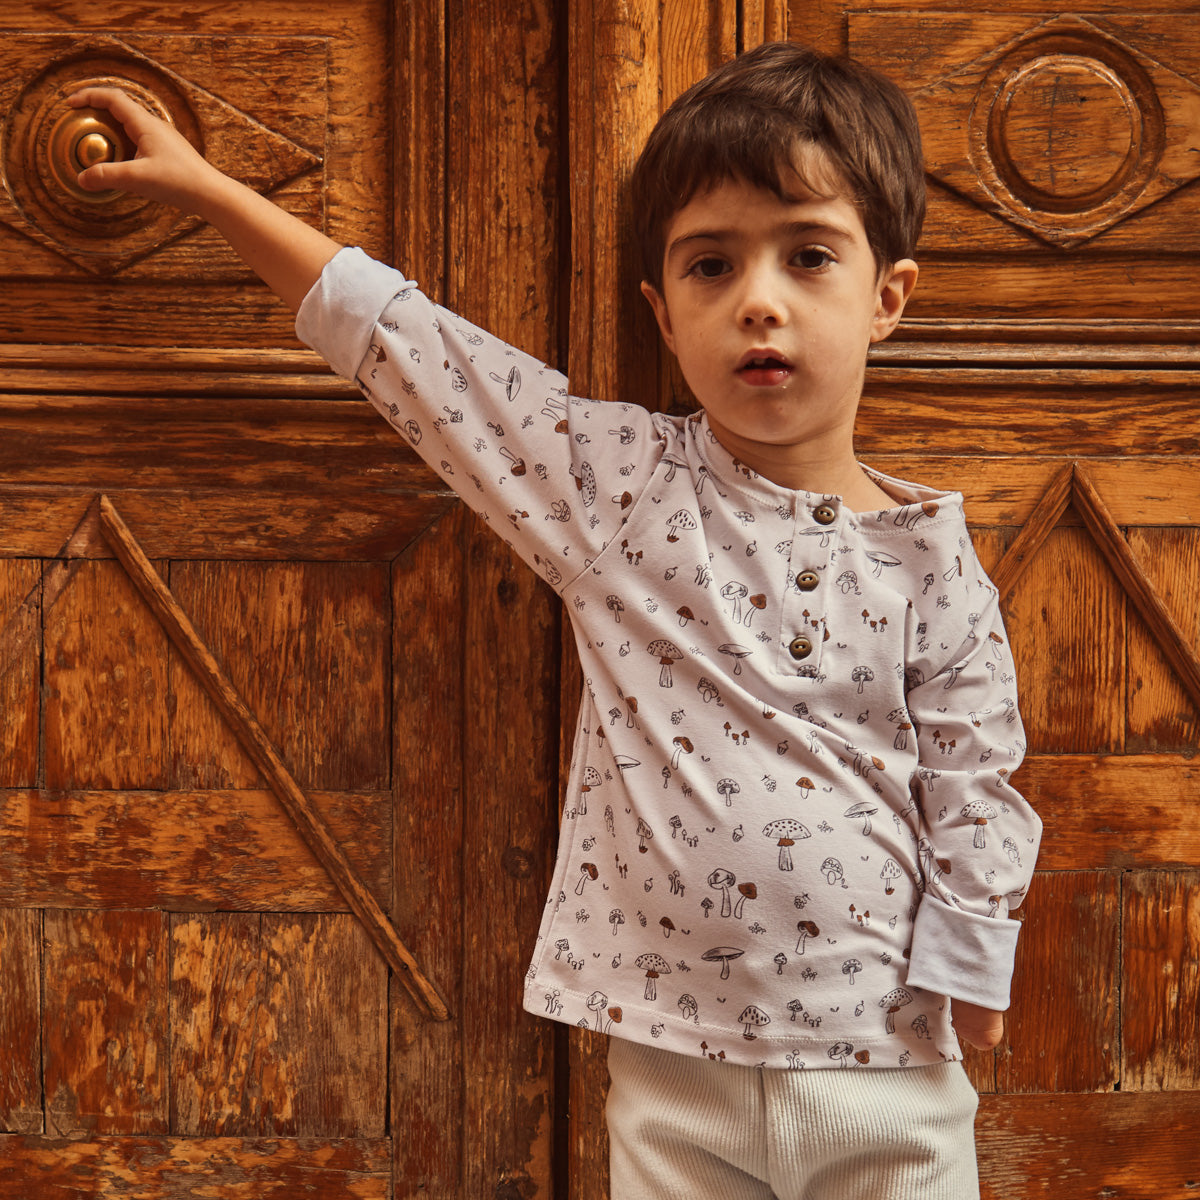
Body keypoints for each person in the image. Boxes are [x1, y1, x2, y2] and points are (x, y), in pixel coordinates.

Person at [71, 40, 1041, 1199]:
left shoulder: (930, 559)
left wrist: (975, 958)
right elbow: (411, 350)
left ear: (888, 297)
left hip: (889, 1070)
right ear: (663, 317)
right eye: (712, 265)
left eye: (809, 256)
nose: (759, 300)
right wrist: (211, 191)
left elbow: (977, 774)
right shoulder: (619, 488)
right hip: (675, 1082)